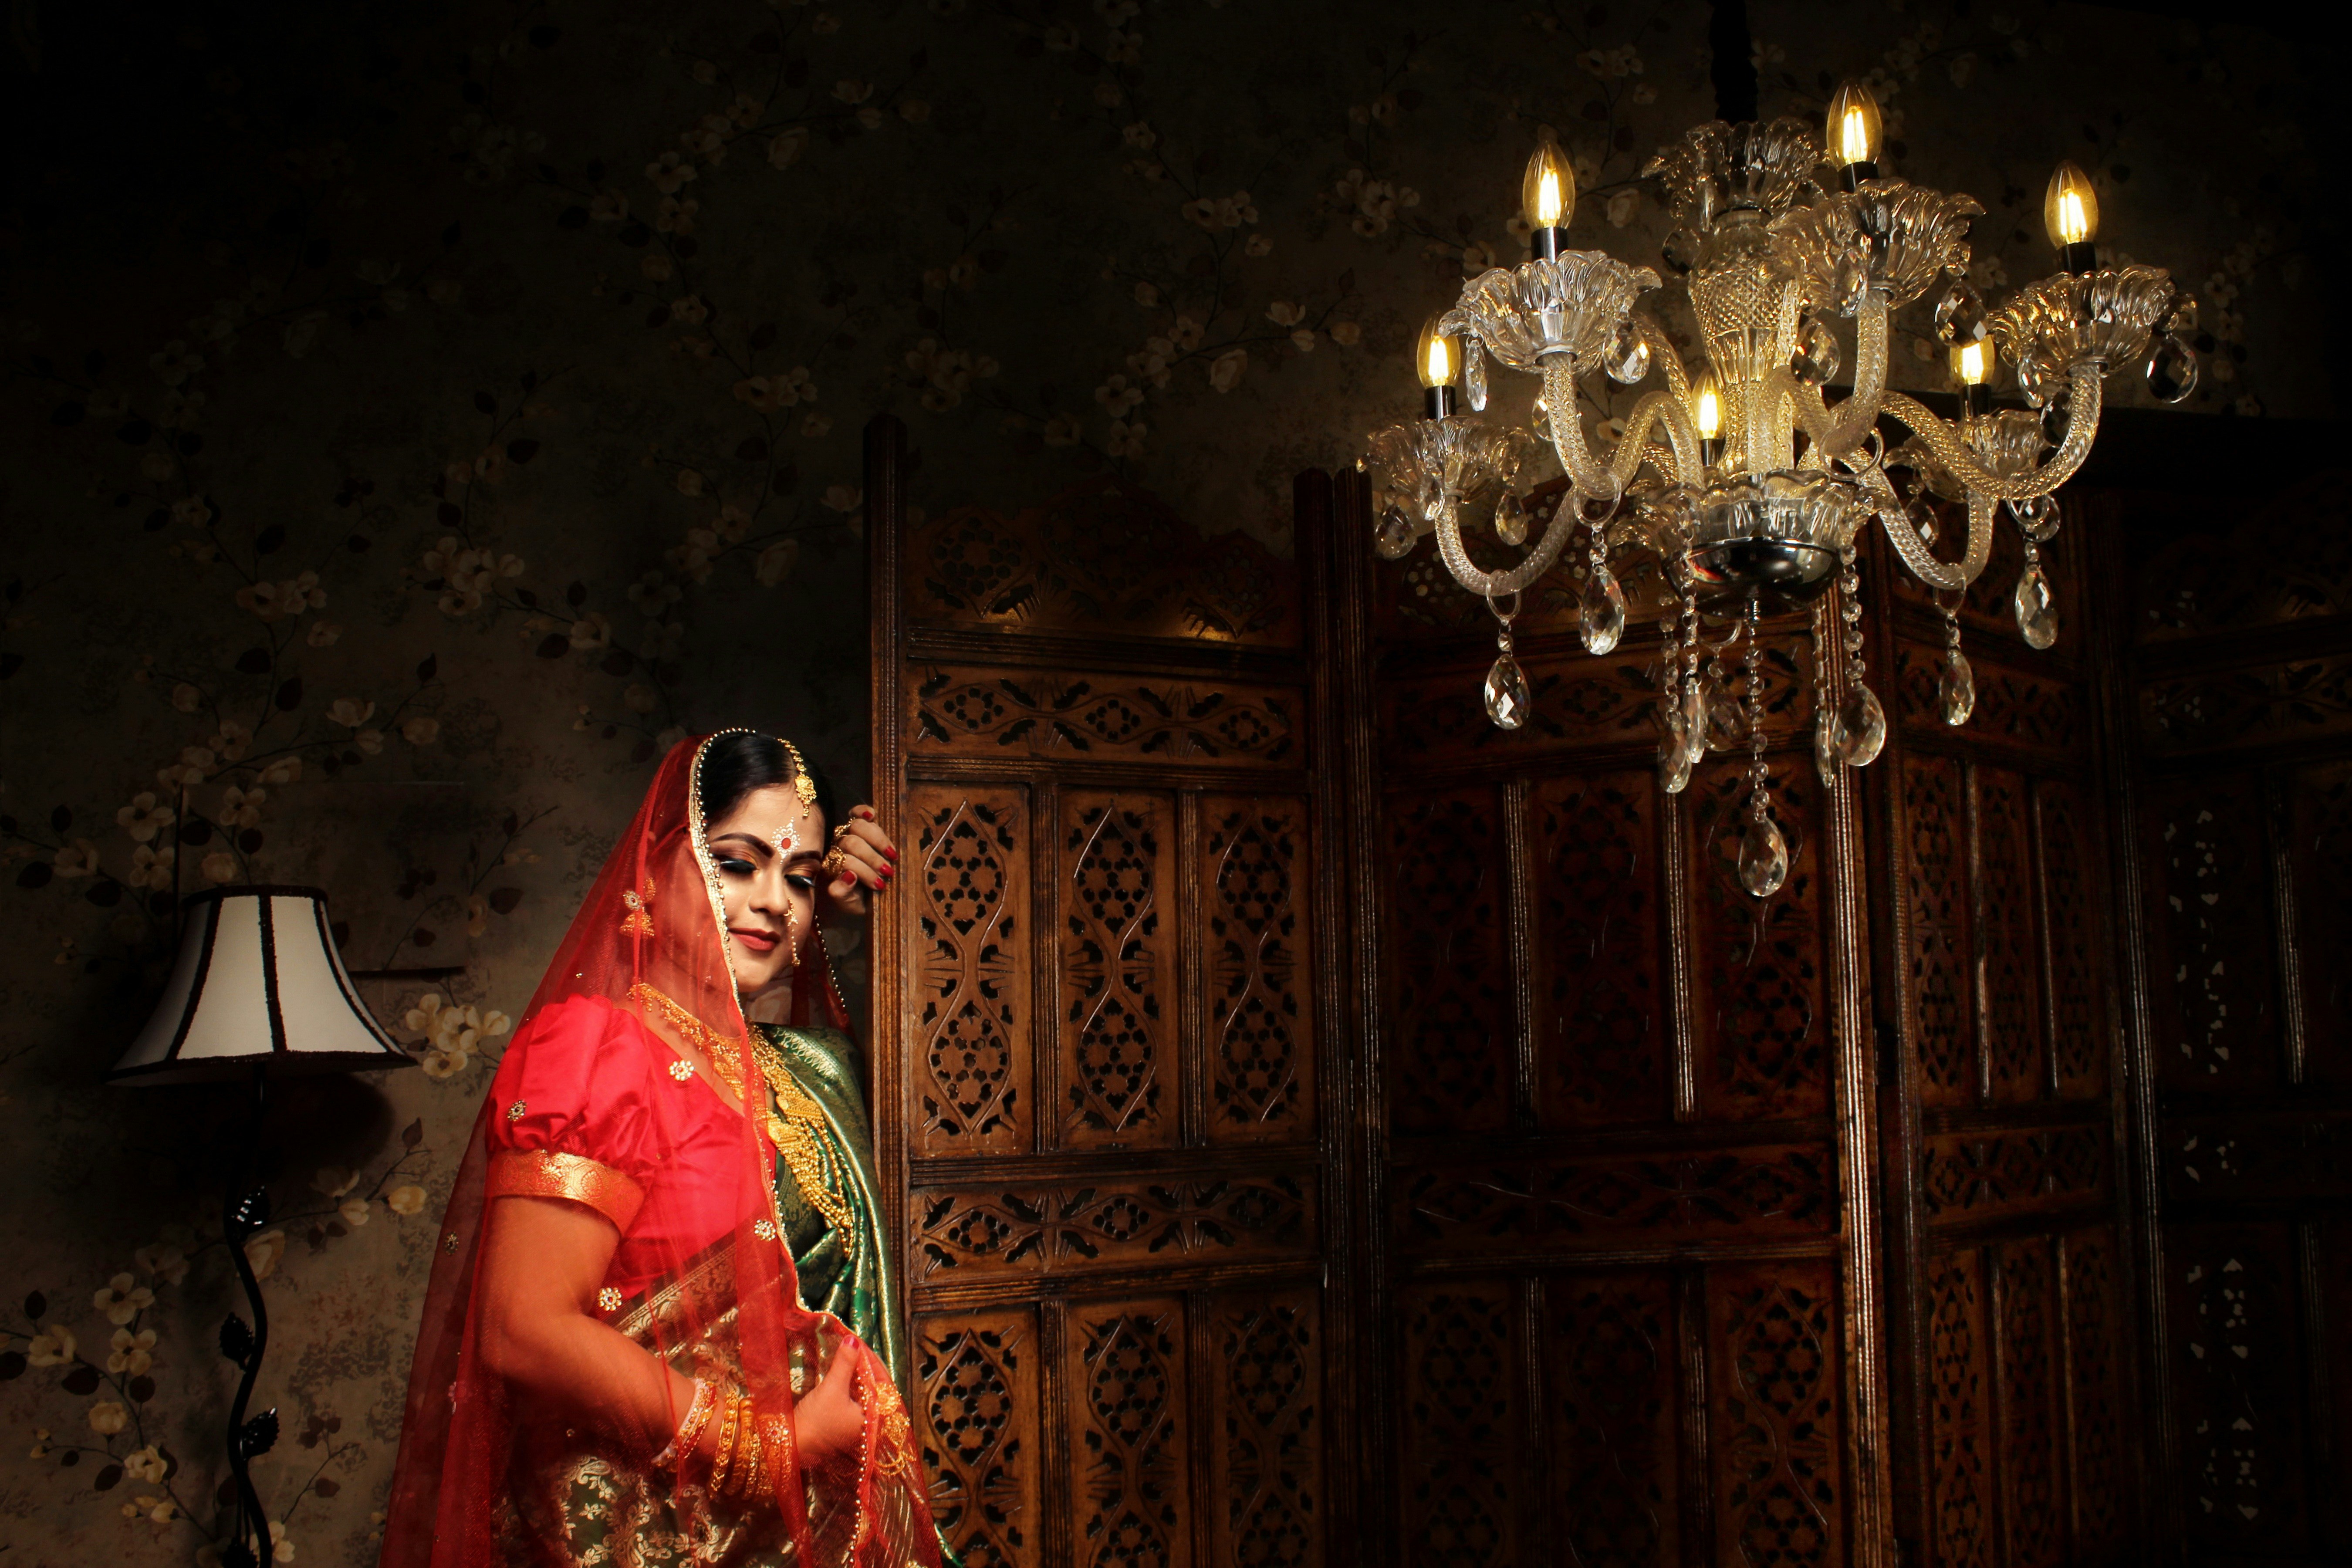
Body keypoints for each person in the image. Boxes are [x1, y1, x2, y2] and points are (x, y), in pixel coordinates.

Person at [381, 730, 941, 1568]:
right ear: (654, 864)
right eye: (737, 862)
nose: (774, 903)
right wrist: (772, 1445)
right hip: (633, 1532)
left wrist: (867, 935)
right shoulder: (596, 1047)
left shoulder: (773, 1066)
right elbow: (522, 1329)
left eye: (799, 877)